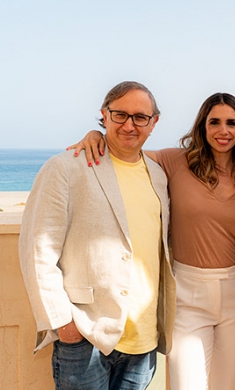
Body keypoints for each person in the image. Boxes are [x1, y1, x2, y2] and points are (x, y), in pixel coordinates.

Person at [69, 93, 235, 389]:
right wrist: (97, 133)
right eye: (215, 122)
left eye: (231, 123)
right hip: (186, 292)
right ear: (202, 126)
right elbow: (127, 150)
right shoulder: (175, 161)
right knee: (186, 383)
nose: (224, 131)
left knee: (231, 384)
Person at [19, 81, 176, 389]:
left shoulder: (158, 175)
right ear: (104, 115)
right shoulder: (66, 167)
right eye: (120, 114)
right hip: (86, 335)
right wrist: (63, 322)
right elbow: (37, 249)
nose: (130, 125)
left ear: (153, 122)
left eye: (140, 117)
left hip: (142, 342)